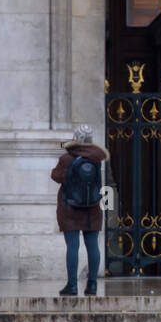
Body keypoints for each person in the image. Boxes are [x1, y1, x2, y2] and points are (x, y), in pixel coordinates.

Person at [51, 125, 108, 296]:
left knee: (73, 247)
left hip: (70, 208)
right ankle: (92, 285)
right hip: (92, 208)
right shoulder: (97, 158)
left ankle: (73, 285)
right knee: (93, 247)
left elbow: (55, 176)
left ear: (76, 138)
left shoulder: (67, 159)